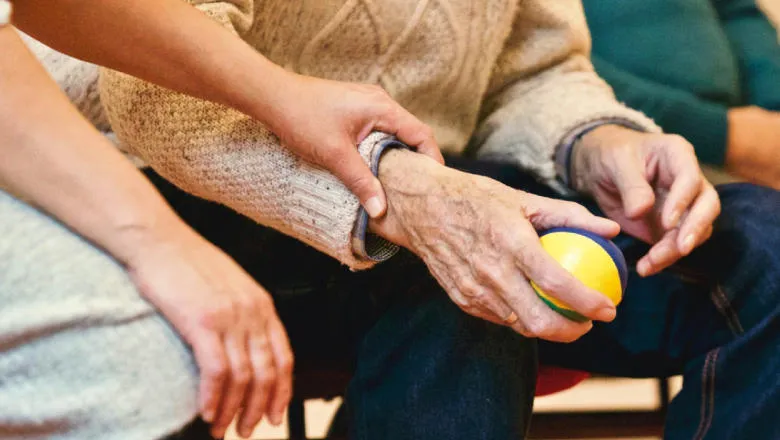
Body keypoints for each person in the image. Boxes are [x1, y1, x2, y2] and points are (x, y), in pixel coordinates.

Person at [90, 0, 779, 439]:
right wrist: (408, 193)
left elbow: (534, 71)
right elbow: (154, 89)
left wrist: (600, 142)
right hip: (199, 183)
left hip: (446, 177)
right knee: (465, 277)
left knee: (764, 248)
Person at [1, 0, 440, 438]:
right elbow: (136, 92)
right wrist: (159, 242)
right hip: (124, 161)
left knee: (454, 275)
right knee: (139, 366)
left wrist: (285, 95)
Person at [583, 0, 780, 189]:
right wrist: (720, 135)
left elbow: (738, 12)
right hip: (637, 152)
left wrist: (772, 111)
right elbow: (564, 69)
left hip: (752, 133)